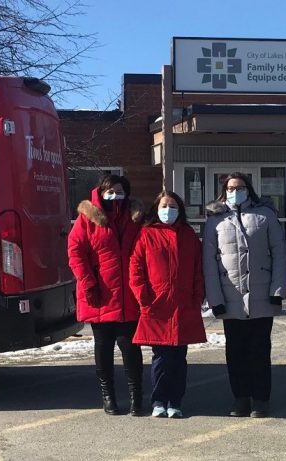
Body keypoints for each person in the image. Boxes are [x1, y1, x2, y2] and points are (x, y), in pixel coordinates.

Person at [203, 173, 286, 418]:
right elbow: (209, 263)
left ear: (249, 189)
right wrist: (215, 299)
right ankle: (240, 398)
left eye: (240, 187)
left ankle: (261, 399)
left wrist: (277, 291)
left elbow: (280, 254)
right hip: (230, 298)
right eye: (231, 188)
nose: (235, 191)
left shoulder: (266, 216)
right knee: (235, 352)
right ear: (224, 191)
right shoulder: (215, 221)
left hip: (262, 296)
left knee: (259, 351)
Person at [67, 174, 146, 416]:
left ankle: (136, 396)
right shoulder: (87, 218)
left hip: (128, 294)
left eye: (119, 191)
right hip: (100, 293)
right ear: (101, 192)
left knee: (130, 346)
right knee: (103, 346)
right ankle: (108, 395)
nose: (114, 195)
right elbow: (75, 251)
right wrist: (88, 283)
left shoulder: (135, 217)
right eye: (110, 191)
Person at [129, 191, 206, 418]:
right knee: (161, 357)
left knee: (179, 358)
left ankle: (176, 401)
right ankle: (159, 400)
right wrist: (144, 298)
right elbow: (136, 270)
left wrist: (197, 296)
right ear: (156, 208)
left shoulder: (189, 235)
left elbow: (197, 269)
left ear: (180, 210)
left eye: (173, 206)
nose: (168, 210)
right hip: (157, 306)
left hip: (183, 306)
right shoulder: (146, 235)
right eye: (164, 205)